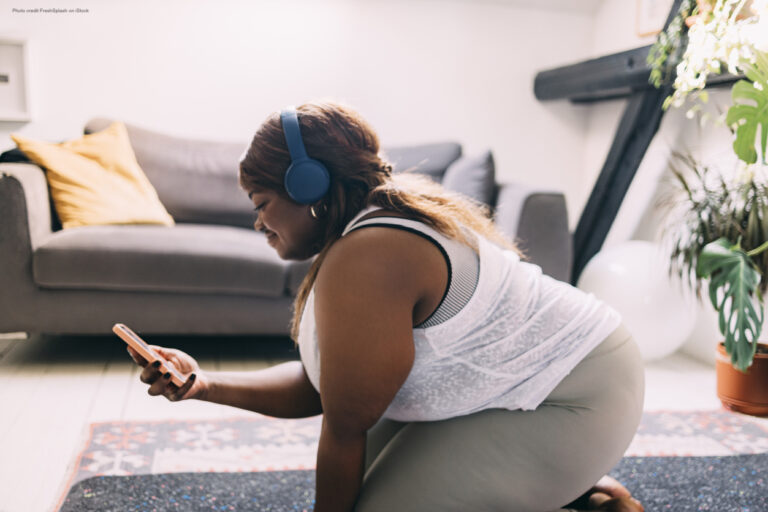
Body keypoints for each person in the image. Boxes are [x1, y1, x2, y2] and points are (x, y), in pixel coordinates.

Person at [128, 100, 646, 512]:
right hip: (508, 386)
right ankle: (569, 490)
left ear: (308, 188)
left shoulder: (369, 254)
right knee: (369, 486)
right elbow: (326, 388)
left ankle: (573, 490)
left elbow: (344, 425)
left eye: (262, 205)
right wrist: (203, 385)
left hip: (577, 394)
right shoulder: (364, 228)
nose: (259, 224)